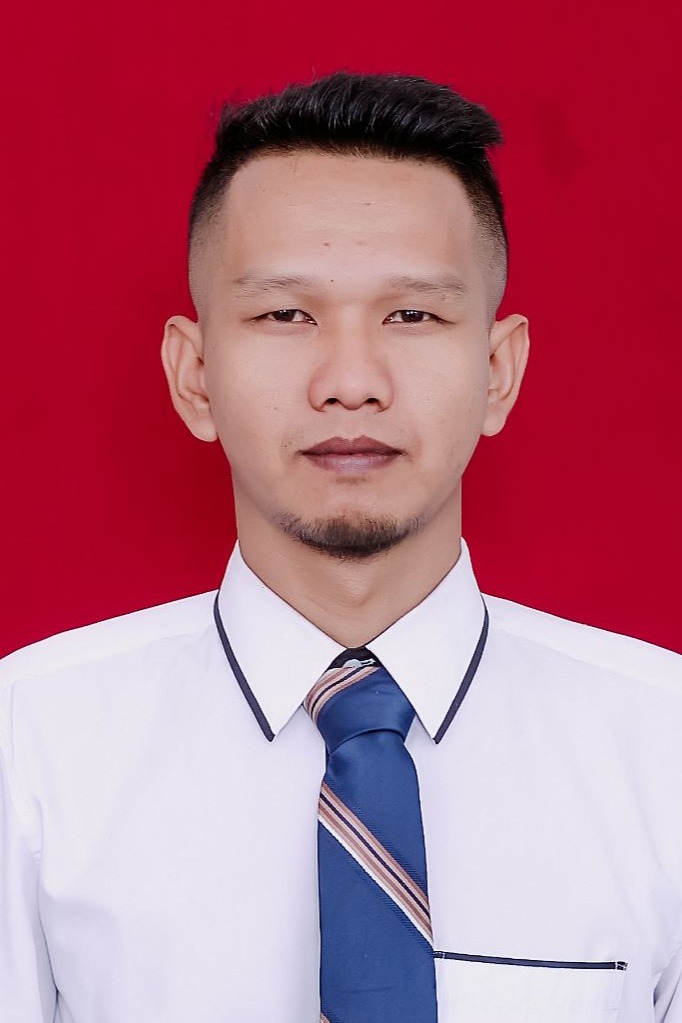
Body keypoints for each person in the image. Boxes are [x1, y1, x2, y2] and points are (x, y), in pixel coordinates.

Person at [1, 71, 680, 1023]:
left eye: (413, 315)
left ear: (497, 371)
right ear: (194, 376)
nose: (351, 381)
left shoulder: (663, 747)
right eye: (286, 315)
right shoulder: (28, 750)